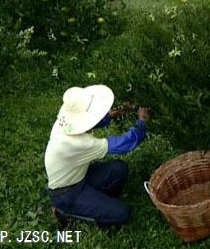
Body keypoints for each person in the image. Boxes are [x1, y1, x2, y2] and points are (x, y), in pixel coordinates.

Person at [45, 85, 150, 228]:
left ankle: (97, 201)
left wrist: (112, 115)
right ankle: (63, 212)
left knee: (119, 168)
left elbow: (87, 123)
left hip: (81, 175)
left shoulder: (63, 122)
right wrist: (141, 123)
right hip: (66, 194)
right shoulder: (78, 143)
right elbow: (123, 144)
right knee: (122, 213)